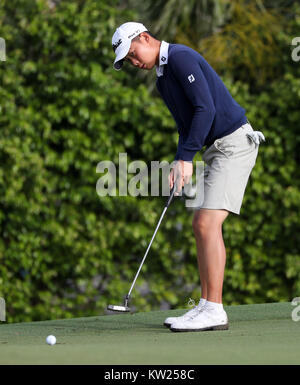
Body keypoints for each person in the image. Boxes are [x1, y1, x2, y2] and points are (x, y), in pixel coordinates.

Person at [111, 22, 265, 332]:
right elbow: (187, 125)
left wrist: (186, 158)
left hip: (234, 144)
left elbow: (205, 109)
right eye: (128, 60)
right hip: (215, 149)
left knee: (208, 222)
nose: (134, 61)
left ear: (145, 37)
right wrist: (179, 160)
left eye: (132, 53)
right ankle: (207, 306)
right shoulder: (163, 79)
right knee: (199, 223)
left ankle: (215, 309)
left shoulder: (180, 58)